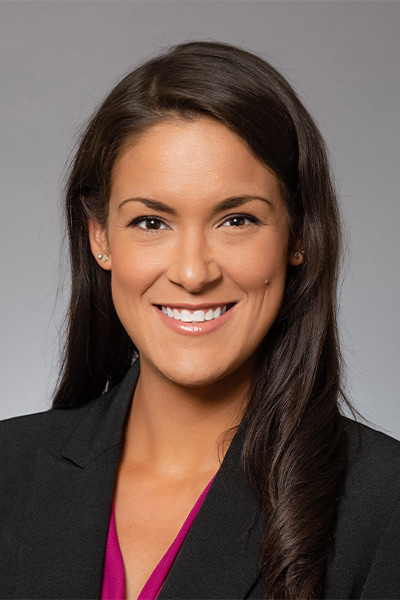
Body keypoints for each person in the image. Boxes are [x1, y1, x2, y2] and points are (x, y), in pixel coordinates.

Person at [0, 41, 399, 600]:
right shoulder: (8, 470)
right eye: (150, 222)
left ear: (299, 235)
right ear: (99, 237)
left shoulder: (384, 506)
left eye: (236, 219)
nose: (192, 273)